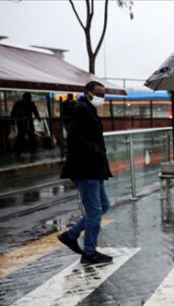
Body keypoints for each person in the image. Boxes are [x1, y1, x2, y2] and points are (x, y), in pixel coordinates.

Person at [58, 81, 114, 265]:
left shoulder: (88, 109)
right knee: (95, 211)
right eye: (98, 93)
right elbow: (75, 138)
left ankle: (71, 235)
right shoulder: (82, 109)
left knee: (103, 206)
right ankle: (89, 253)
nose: (101, 98)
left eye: (103, 94)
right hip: (86, 168)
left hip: (93, 169)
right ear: (87, 92)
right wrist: (95, 150)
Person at [10, 92, 41, 157]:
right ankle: (32, 149)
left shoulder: (18, 103)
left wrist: (12, 122)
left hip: (20, 122)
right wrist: (38, 118)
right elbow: (35, 111)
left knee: (21, 135)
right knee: (31, 136)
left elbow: (13, 113)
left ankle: (18, 150)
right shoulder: (30, 103)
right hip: (28, 121)